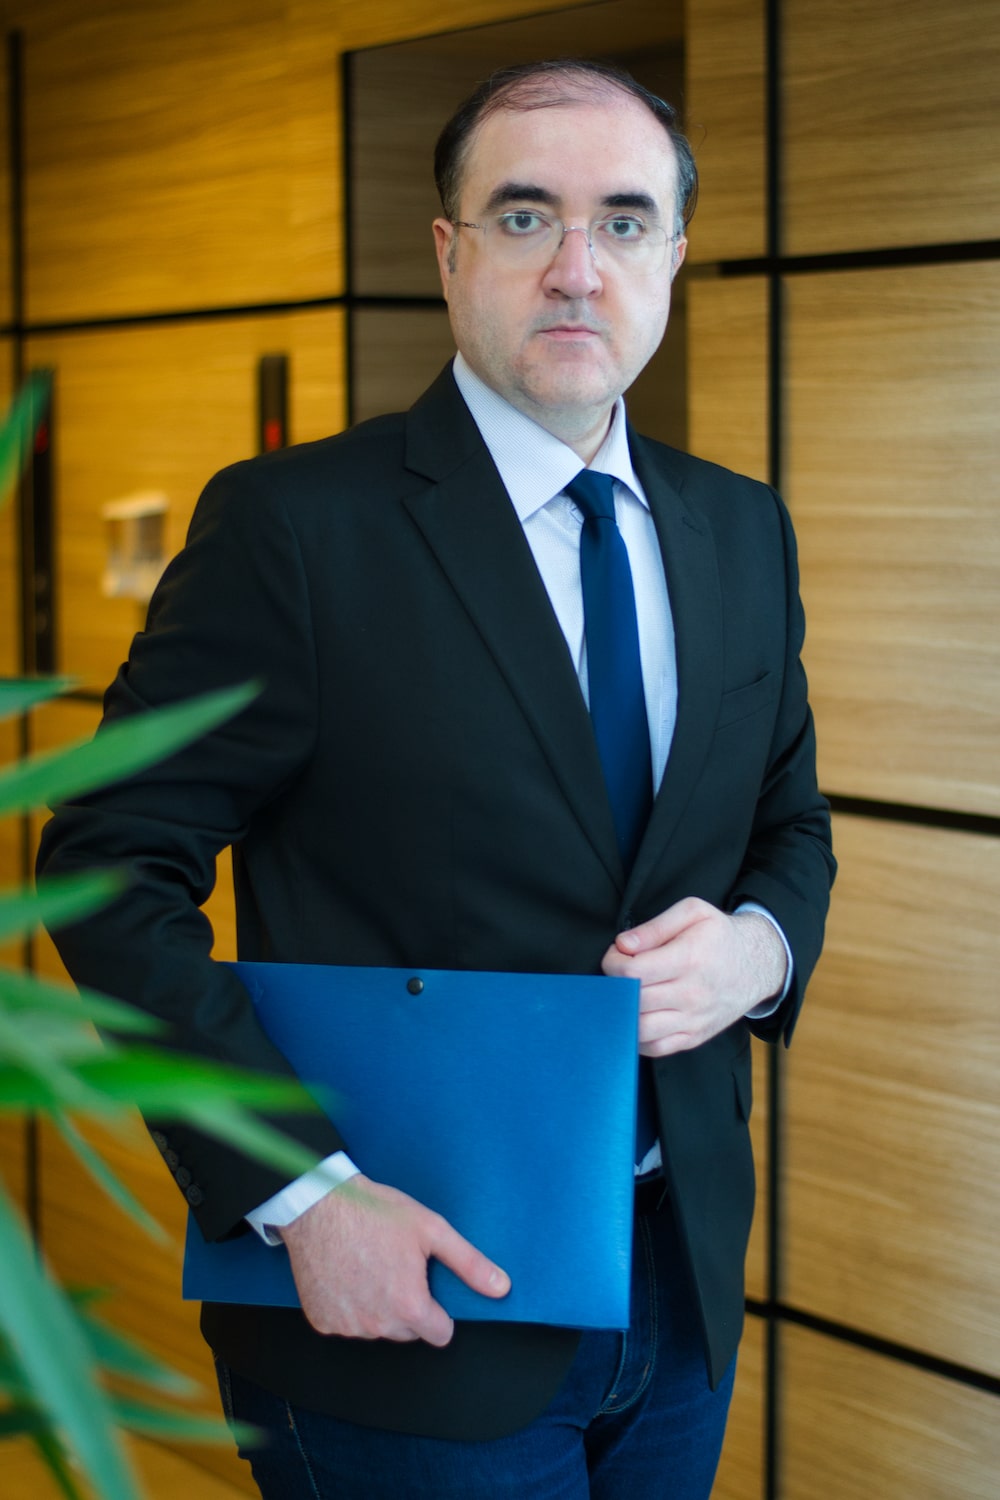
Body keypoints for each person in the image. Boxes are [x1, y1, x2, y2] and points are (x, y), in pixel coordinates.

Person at [37, 58, 835, 1500]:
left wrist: (756, 955)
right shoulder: (295, 529)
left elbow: (790, 824)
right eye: (526, 218)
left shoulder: (741, 529)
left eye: (624, 221)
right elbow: (105, 867)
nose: (578, 269)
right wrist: (301, 1197)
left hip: (677, 1288)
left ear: (673, 256)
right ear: (450, 253)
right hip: (398, 1301)